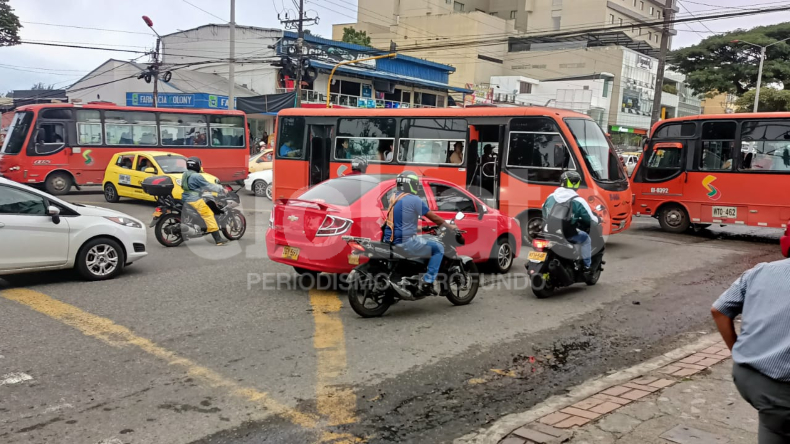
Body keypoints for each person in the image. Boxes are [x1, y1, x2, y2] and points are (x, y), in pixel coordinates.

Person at [712, 258, 790, 443]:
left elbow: (719, 310)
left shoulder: (762, 270)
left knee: (774, 425)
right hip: (781, 387)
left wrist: (737, 351)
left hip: (747, 376)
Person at [383, 171, 451, 295]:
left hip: (389, 240)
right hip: (404, 242)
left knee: (424, 240)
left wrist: (419, 229)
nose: (416, 187)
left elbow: (400, 221)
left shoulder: (394, 197)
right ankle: (428, 281)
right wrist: (449, 226)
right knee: (438, 248)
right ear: (410, 185)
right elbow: (433, 217)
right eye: (415, 184)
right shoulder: (414, 199)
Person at [542, 171, 597, 273]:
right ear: (576, 184)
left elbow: (544, 210)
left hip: (548, 232)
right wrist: (597, 220)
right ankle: (587, 267)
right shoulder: (578, 200)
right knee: (586, 239)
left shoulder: (551, 197)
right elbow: (591, 219)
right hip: (567, 234)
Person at [181, 157, 227, 246]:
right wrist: (222, 189)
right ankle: (218, 239)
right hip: (194, 199)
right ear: (197, 165)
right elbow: (208, 185)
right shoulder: (196, 176)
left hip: (185, 197)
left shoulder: (185, 174)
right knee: (208, 215)